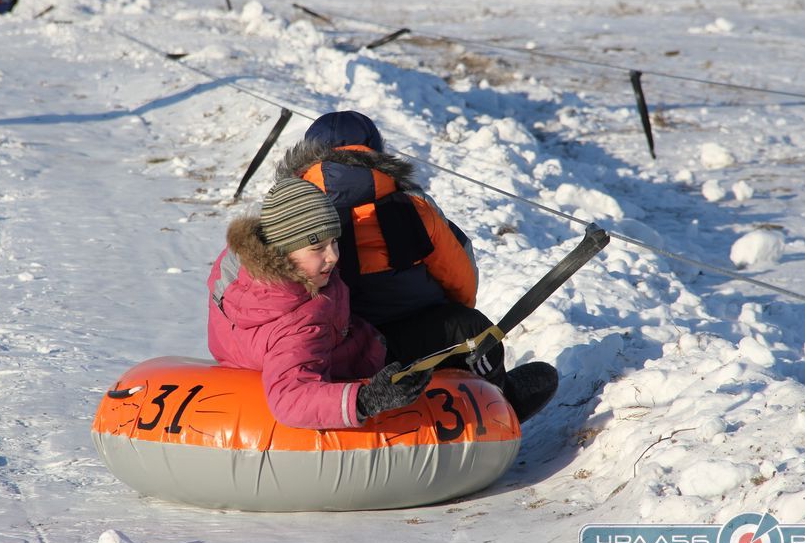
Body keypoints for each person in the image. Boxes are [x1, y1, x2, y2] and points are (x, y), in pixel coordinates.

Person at [276, 110, 559, 423]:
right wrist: (449, 313)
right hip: (405, 341)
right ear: (376, 152)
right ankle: (499, 401)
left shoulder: (291, 218)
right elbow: (460, 279)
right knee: (474, 330)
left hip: (331, 345)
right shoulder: (414, 208)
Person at [206, 177, 432, 430]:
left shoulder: (253, 275)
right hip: (358, 359)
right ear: (282, 252)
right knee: (452, 329)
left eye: (334, 241)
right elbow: (291, 400)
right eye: (317, 247)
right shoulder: (296, 323)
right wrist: (366, 400)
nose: (333, 255)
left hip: (349, 343)